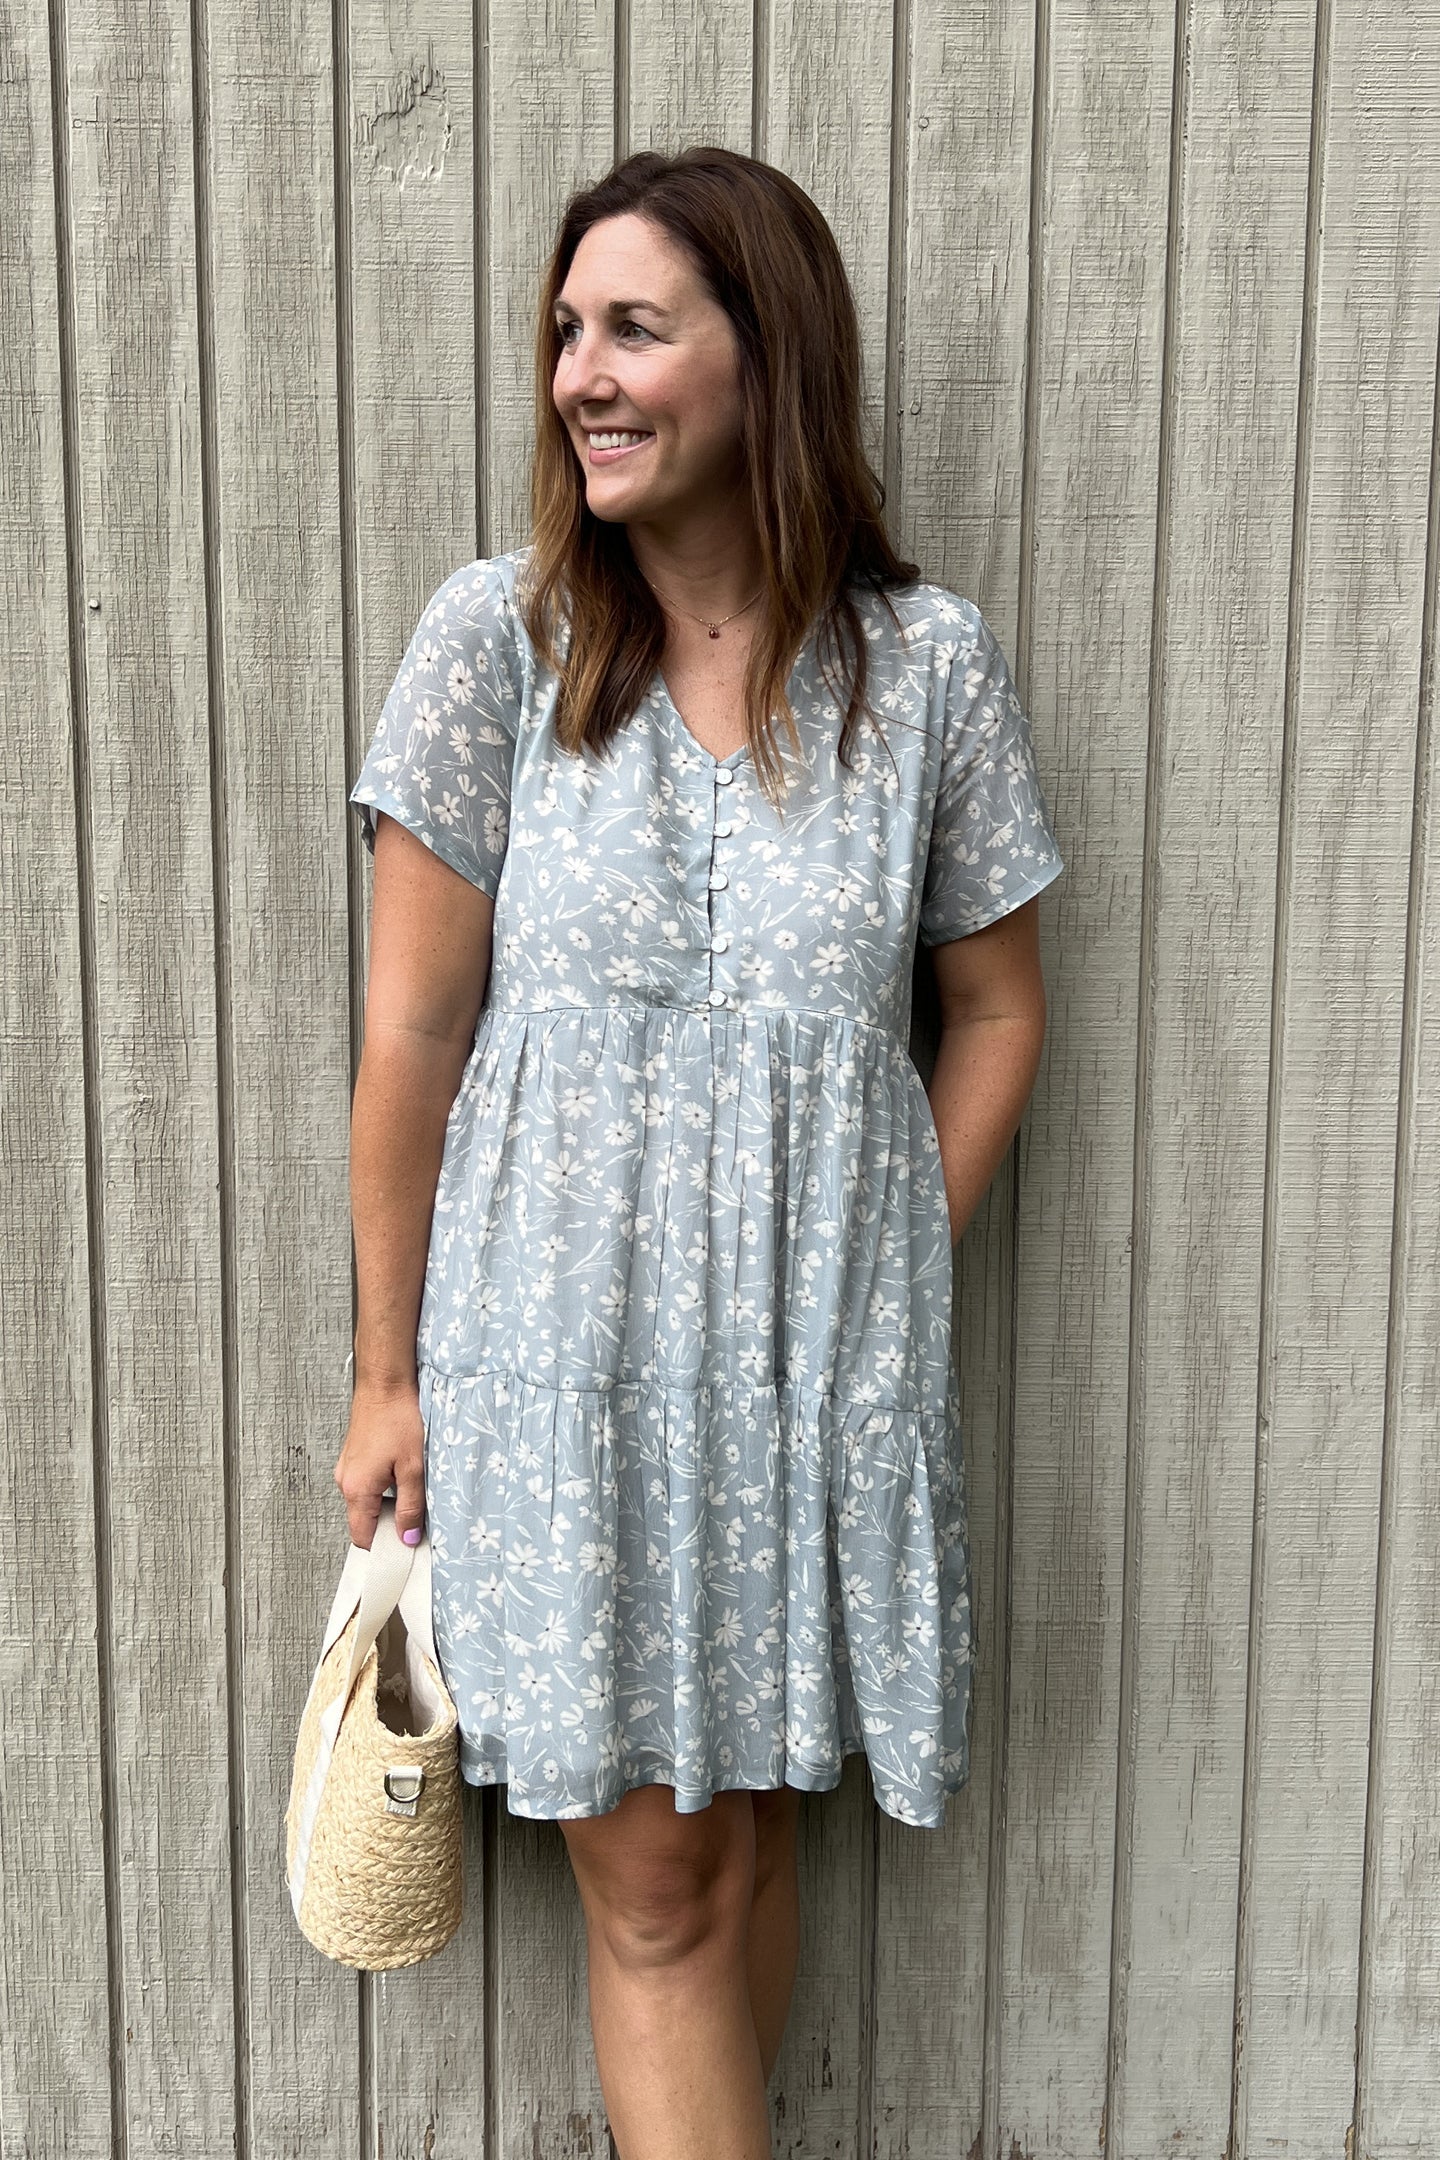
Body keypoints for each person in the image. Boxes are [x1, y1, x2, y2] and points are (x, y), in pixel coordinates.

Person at [335, 144, 1063, 2160]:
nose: (580, 370)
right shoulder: (502, 641)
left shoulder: (926, 675)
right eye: (566, 331)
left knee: (739, 1846)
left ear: (773, 357)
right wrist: (390, 1373)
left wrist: (892, 1254)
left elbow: (997, 1011)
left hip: (810, 1372)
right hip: (553, 1361)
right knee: (657, 1885)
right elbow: (411, 1029)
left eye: (635, 326)